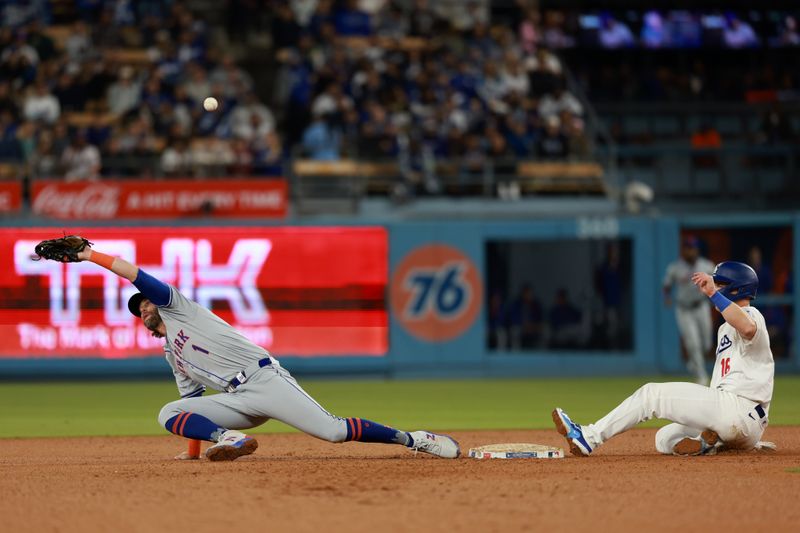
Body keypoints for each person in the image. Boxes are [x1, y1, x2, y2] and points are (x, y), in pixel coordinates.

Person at [54, 240, 460, 461]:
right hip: (237, 401)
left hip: (264, 378)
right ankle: (228, 439)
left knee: (334, 432)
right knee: (169, 413)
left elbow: (135, 274)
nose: (144, 309)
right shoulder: (171, 355)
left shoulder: (177, 307)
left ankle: (414, 439)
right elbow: (191, 402)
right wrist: (195, 453)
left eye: (145, 304)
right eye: (139, 311)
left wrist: (91, 255)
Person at [554, 261, 773, 456]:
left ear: (737, 289)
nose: (715, 289)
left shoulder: (752, 316)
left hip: (739, 409)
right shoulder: (725, 327)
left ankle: (589, 437)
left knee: (651, 395)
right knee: (664, 438)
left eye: (721, 285)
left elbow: (746, 327)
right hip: (738, 422)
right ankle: (711, 444)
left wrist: (713, 294)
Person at [663, 237, 715, 383]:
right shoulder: (675, 267)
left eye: (693, 248)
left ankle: (694, 361)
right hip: (684, 309)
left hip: (701, 306)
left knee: (706, 343)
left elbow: (718, 280)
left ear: (697, 249)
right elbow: (666, 285)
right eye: (688, 248)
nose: (691, 251)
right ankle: (701, 376)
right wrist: (666, 297)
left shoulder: (706, 265)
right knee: (693, 342)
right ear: (684, 250)